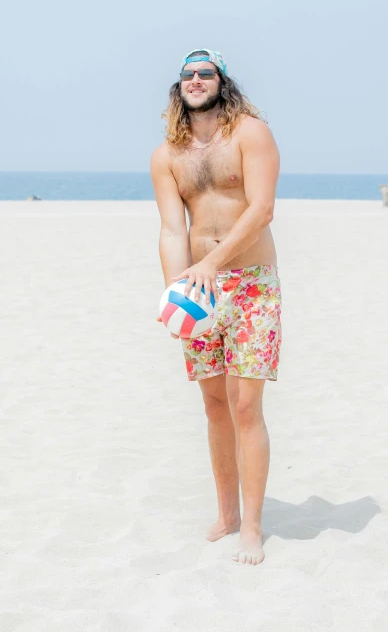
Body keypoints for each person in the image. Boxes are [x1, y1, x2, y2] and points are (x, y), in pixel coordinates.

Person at [150, 48, 282, 566]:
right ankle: (227, 513)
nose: (197, 81)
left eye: (206, 74)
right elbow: (170, 229)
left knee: (246, 406)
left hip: (251, 283)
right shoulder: (167, 154)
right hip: (198, 291)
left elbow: (262, 209)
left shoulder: (250, 133)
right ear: (179, 86)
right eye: (188, 75)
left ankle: (252, 526)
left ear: (222, 82)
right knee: (213, 406)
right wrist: (173, 291)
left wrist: (215, 263)